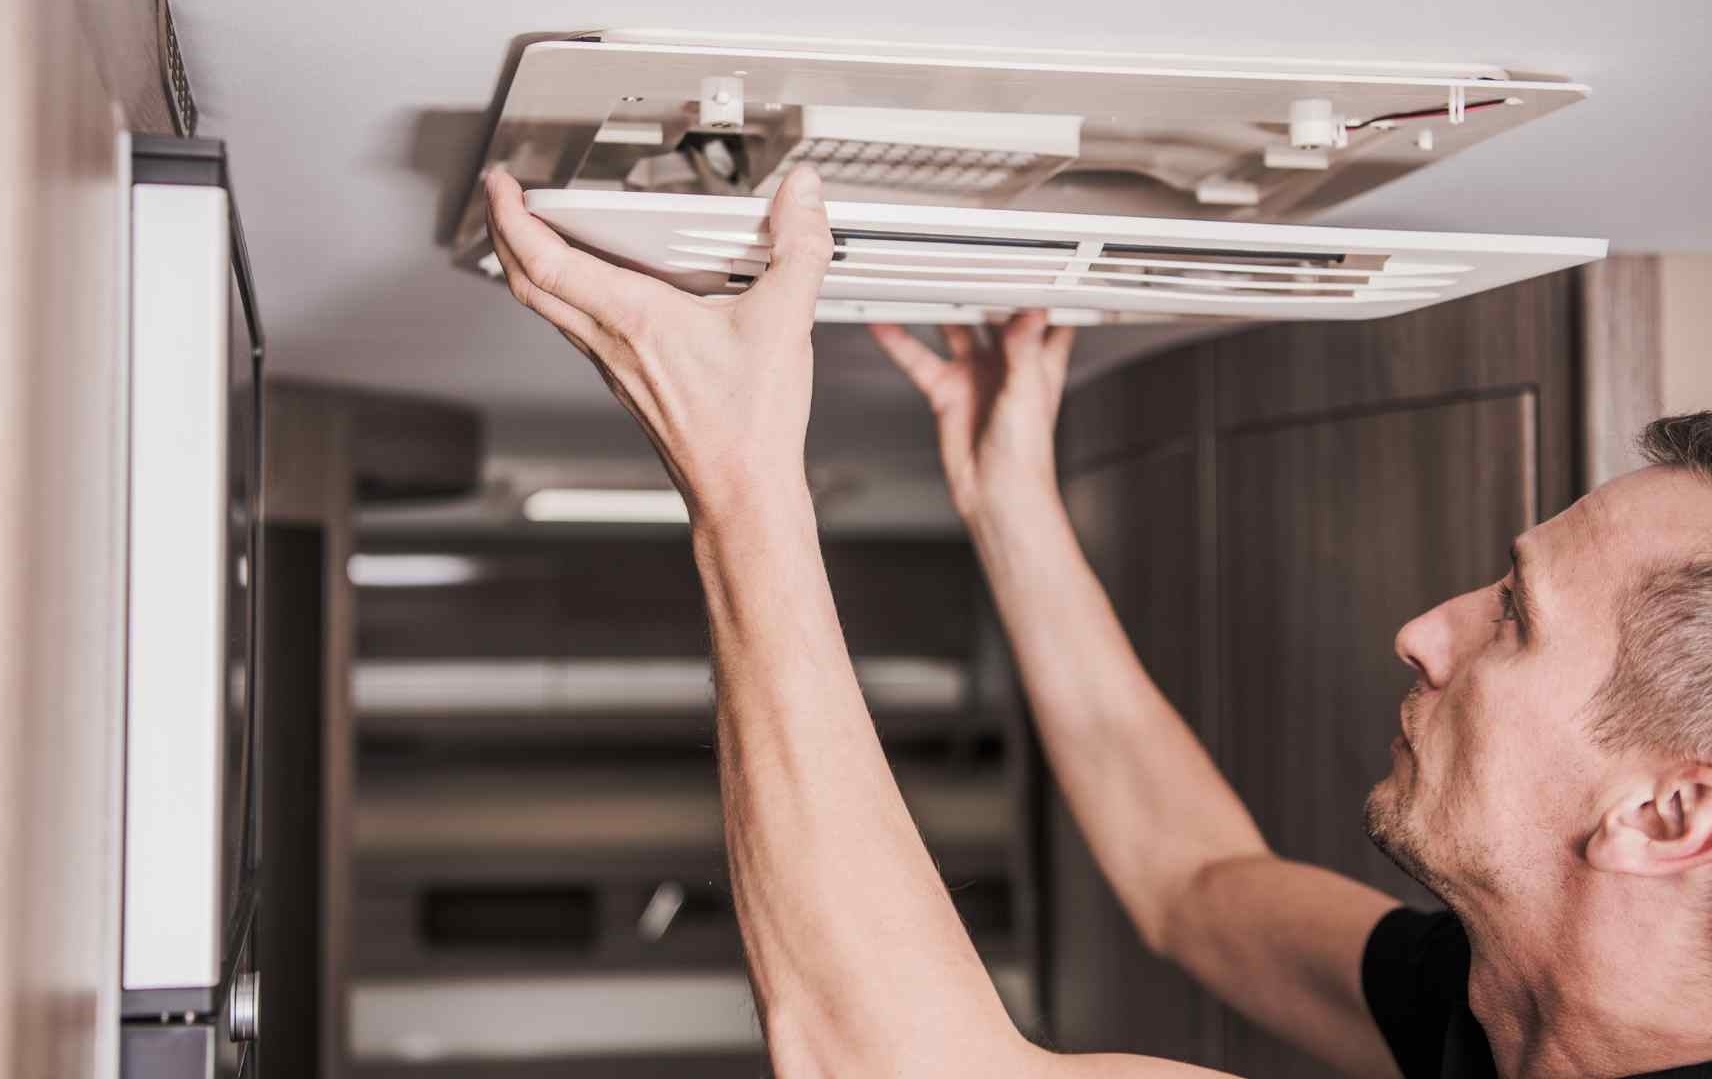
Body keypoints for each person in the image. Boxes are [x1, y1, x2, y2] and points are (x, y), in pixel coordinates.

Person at [480, 162, 1712, 1077]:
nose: (1425, 631)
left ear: (1666, 815)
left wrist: (741, 483)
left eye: (1512, 619)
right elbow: (1196, 886)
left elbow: (899, 1066)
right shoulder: (1508, 1006)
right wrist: (1011, 501)